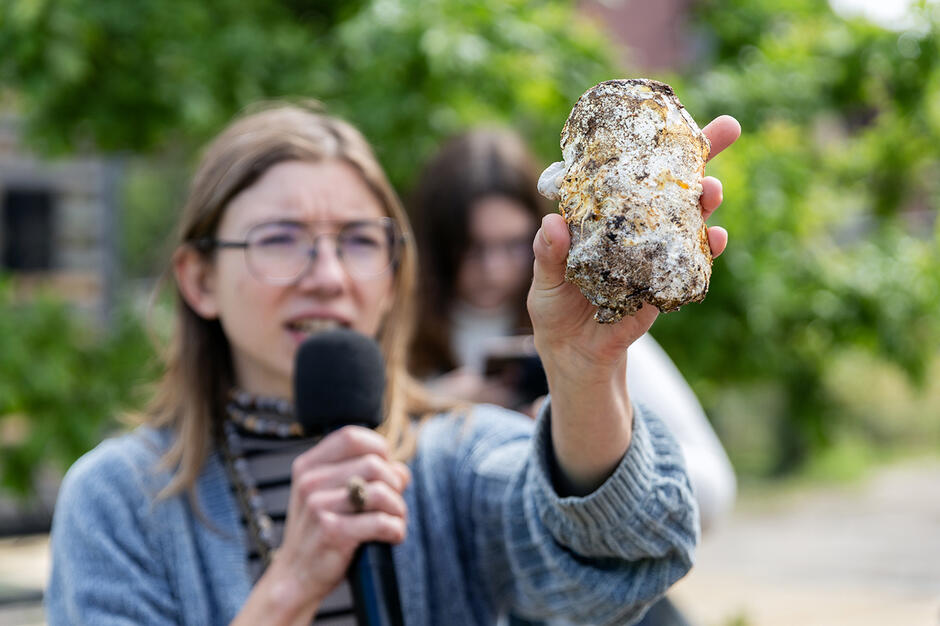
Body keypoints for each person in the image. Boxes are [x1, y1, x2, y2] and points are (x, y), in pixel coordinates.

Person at [45, 103, 740, 625]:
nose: (327, 275)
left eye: (357, 240)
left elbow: (619, 562)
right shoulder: (116, 501)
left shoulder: (456, 458)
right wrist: (289, 589)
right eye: (281, 239)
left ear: (393, 274)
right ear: (198, 280)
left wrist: (584, 372)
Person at [409, 128, 737, 626]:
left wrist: (586, 438)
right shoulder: (401, 343)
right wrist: (439, 407)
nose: (495, 270)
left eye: (511, 245)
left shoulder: (594, 316)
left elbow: (712, 487)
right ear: (437, 249)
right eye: (472, 250)